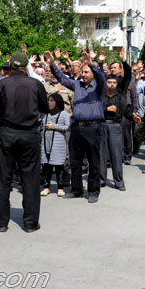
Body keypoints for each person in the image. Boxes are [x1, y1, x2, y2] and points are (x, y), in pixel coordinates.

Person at [0, 51, 48, 232]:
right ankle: (30, 223)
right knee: (30, 179)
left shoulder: (1, 84)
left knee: (3, 179)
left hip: (6, 134)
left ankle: (1, 223)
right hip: (29, 134)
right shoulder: (36, 84)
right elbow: (45, 107)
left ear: (10, 65)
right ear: (25, 66)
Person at [45, 50, 106, 204]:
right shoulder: (77, 85)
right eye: (82, 72)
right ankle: (76, 189)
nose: (83, 74)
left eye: (86, 72)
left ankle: (93, 191)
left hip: (93, 127)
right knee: (75, 161)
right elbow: (62, 78)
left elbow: (100, 76)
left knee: (93, 161)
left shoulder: (99, 86)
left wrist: (92, 64)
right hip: (77, 127)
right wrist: (52, 64)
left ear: (92, 74)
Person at [101, 74, 139, 191]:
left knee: (116, 155)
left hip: (115, 126)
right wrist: (106, 109)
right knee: (101, 154)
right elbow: (95, 109)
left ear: (117, 84)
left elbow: (126, 111)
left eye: (114, 82)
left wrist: (133, 117)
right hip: (102, 125)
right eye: (109, 82)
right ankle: (101, 179)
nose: (112, 85)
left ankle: (119, 181)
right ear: (106, 83)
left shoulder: (120, 97)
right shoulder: (100, 96)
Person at [39, 93, 70, 197]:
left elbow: (67, 127)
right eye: (48, 100)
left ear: (58, 102)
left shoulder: (64, 114)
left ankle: (60, 188)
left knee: (58, 167)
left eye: (52, 101)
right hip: (46, 143)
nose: (49, 102)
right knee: (46, 166)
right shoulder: (45, 114)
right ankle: (46, 187)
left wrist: (54, 126)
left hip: (57, 144)